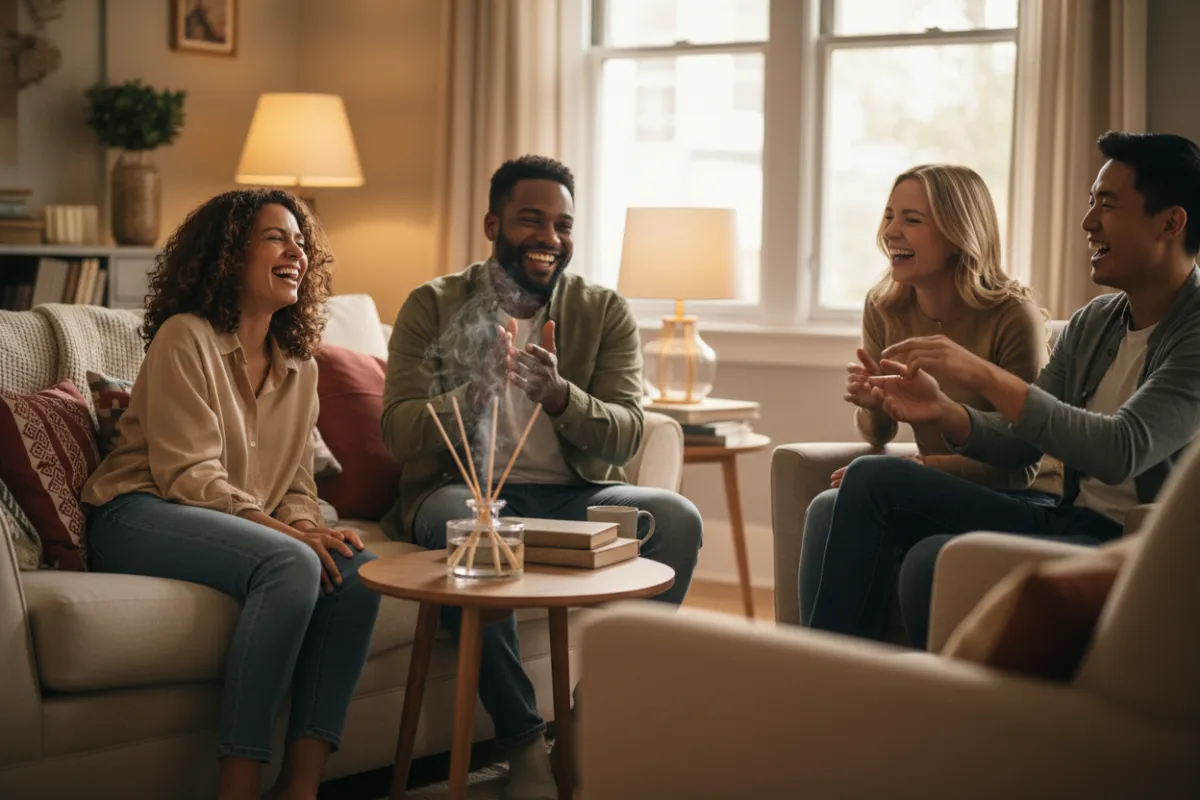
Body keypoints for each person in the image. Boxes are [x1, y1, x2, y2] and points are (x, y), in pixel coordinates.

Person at [381, 155, 703, 800]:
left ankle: (583, 725)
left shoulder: (602, 310)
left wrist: (561, 396)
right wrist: (471, 394)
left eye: (563, 225)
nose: (549, 238)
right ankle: (524, 742)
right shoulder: (432, 304)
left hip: (573, 496)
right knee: (470, 529)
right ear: (492, 225)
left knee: (675, 519)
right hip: (463, 493)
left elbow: (627, 432)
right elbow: (397, 431)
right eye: (532, 220)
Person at [811, 131, 1200, 650]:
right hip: (1070, 518)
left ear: (1170, 224)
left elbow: (1121, 450)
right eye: (1090, 203)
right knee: (870, 477)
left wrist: (984, 376)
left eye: (1107, 205)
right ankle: (823, 671)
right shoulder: (1096, 321)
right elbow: (1022, 441)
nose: (1087, 222)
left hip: (1129, 542)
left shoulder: (1193, 332)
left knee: (929, 561)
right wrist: (943, 410)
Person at [82, 190, 381, 800]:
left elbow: (296, 484)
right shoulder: (184, 337)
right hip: (136, 511)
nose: (295, 252)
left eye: (300, 241)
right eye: (275, 238)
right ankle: (238, 785)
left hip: (224, 519)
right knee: (292, 562)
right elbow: (189, 477)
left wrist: (310, 526)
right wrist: (293, 538)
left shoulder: (300, 366)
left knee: (355, 569)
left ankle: (300, 787)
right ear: (228, 255)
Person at [798, 164, 1062, 645]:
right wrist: (875, 404)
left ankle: (824, 668)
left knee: (865, 485)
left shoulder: (1012, 316)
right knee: (824, 509)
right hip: (934, 486)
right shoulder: (885, 306)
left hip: (1022, 495)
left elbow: (1023, 463)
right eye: (889, 215)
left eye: (912, 219)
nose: (891, 231)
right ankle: (827, 665)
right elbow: (877, 434)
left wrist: (923, 468)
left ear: (959, 235)